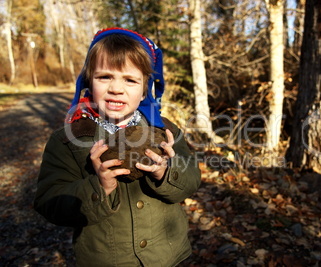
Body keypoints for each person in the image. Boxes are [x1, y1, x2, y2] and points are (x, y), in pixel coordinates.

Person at [34, 28, 201, 266]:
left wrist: (166, 171)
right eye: (105, 77)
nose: (116, 88)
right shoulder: (69, 140)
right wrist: (99, 187)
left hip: (166, 257)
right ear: (89, 81)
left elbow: (192, 179)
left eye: (130, 80)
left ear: (145, 90)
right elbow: (49, 201)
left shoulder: (166, 131)